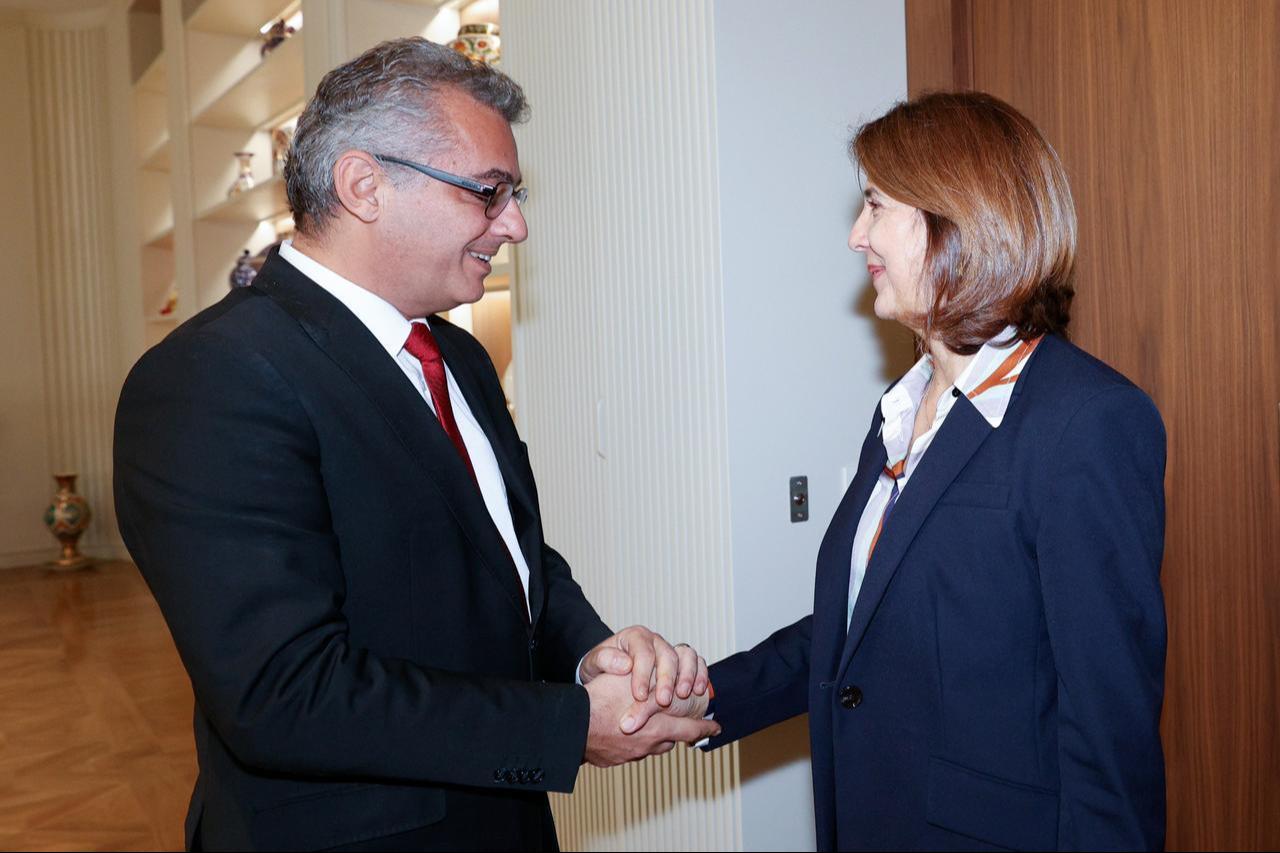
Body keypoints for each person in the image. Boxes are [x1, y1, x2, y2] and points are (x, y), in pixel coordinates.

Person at [113, 38, 717, 852]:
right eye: (489, 192)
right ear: (364, 185)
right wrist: (565, 727)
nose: (517, 225)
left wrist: (590, 656)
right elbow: (281, 693)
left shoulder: (456, 353)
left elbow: (506, 551)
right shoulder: (211, 378)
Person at [700, 92, 1168, 851]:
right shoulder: (901, 408)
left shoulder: (1086, 421)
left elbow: (1107, 726)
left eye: (875, 205)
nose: (856, 237)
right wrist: (705, 697)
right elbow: (863, 625)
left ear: (956, 214)